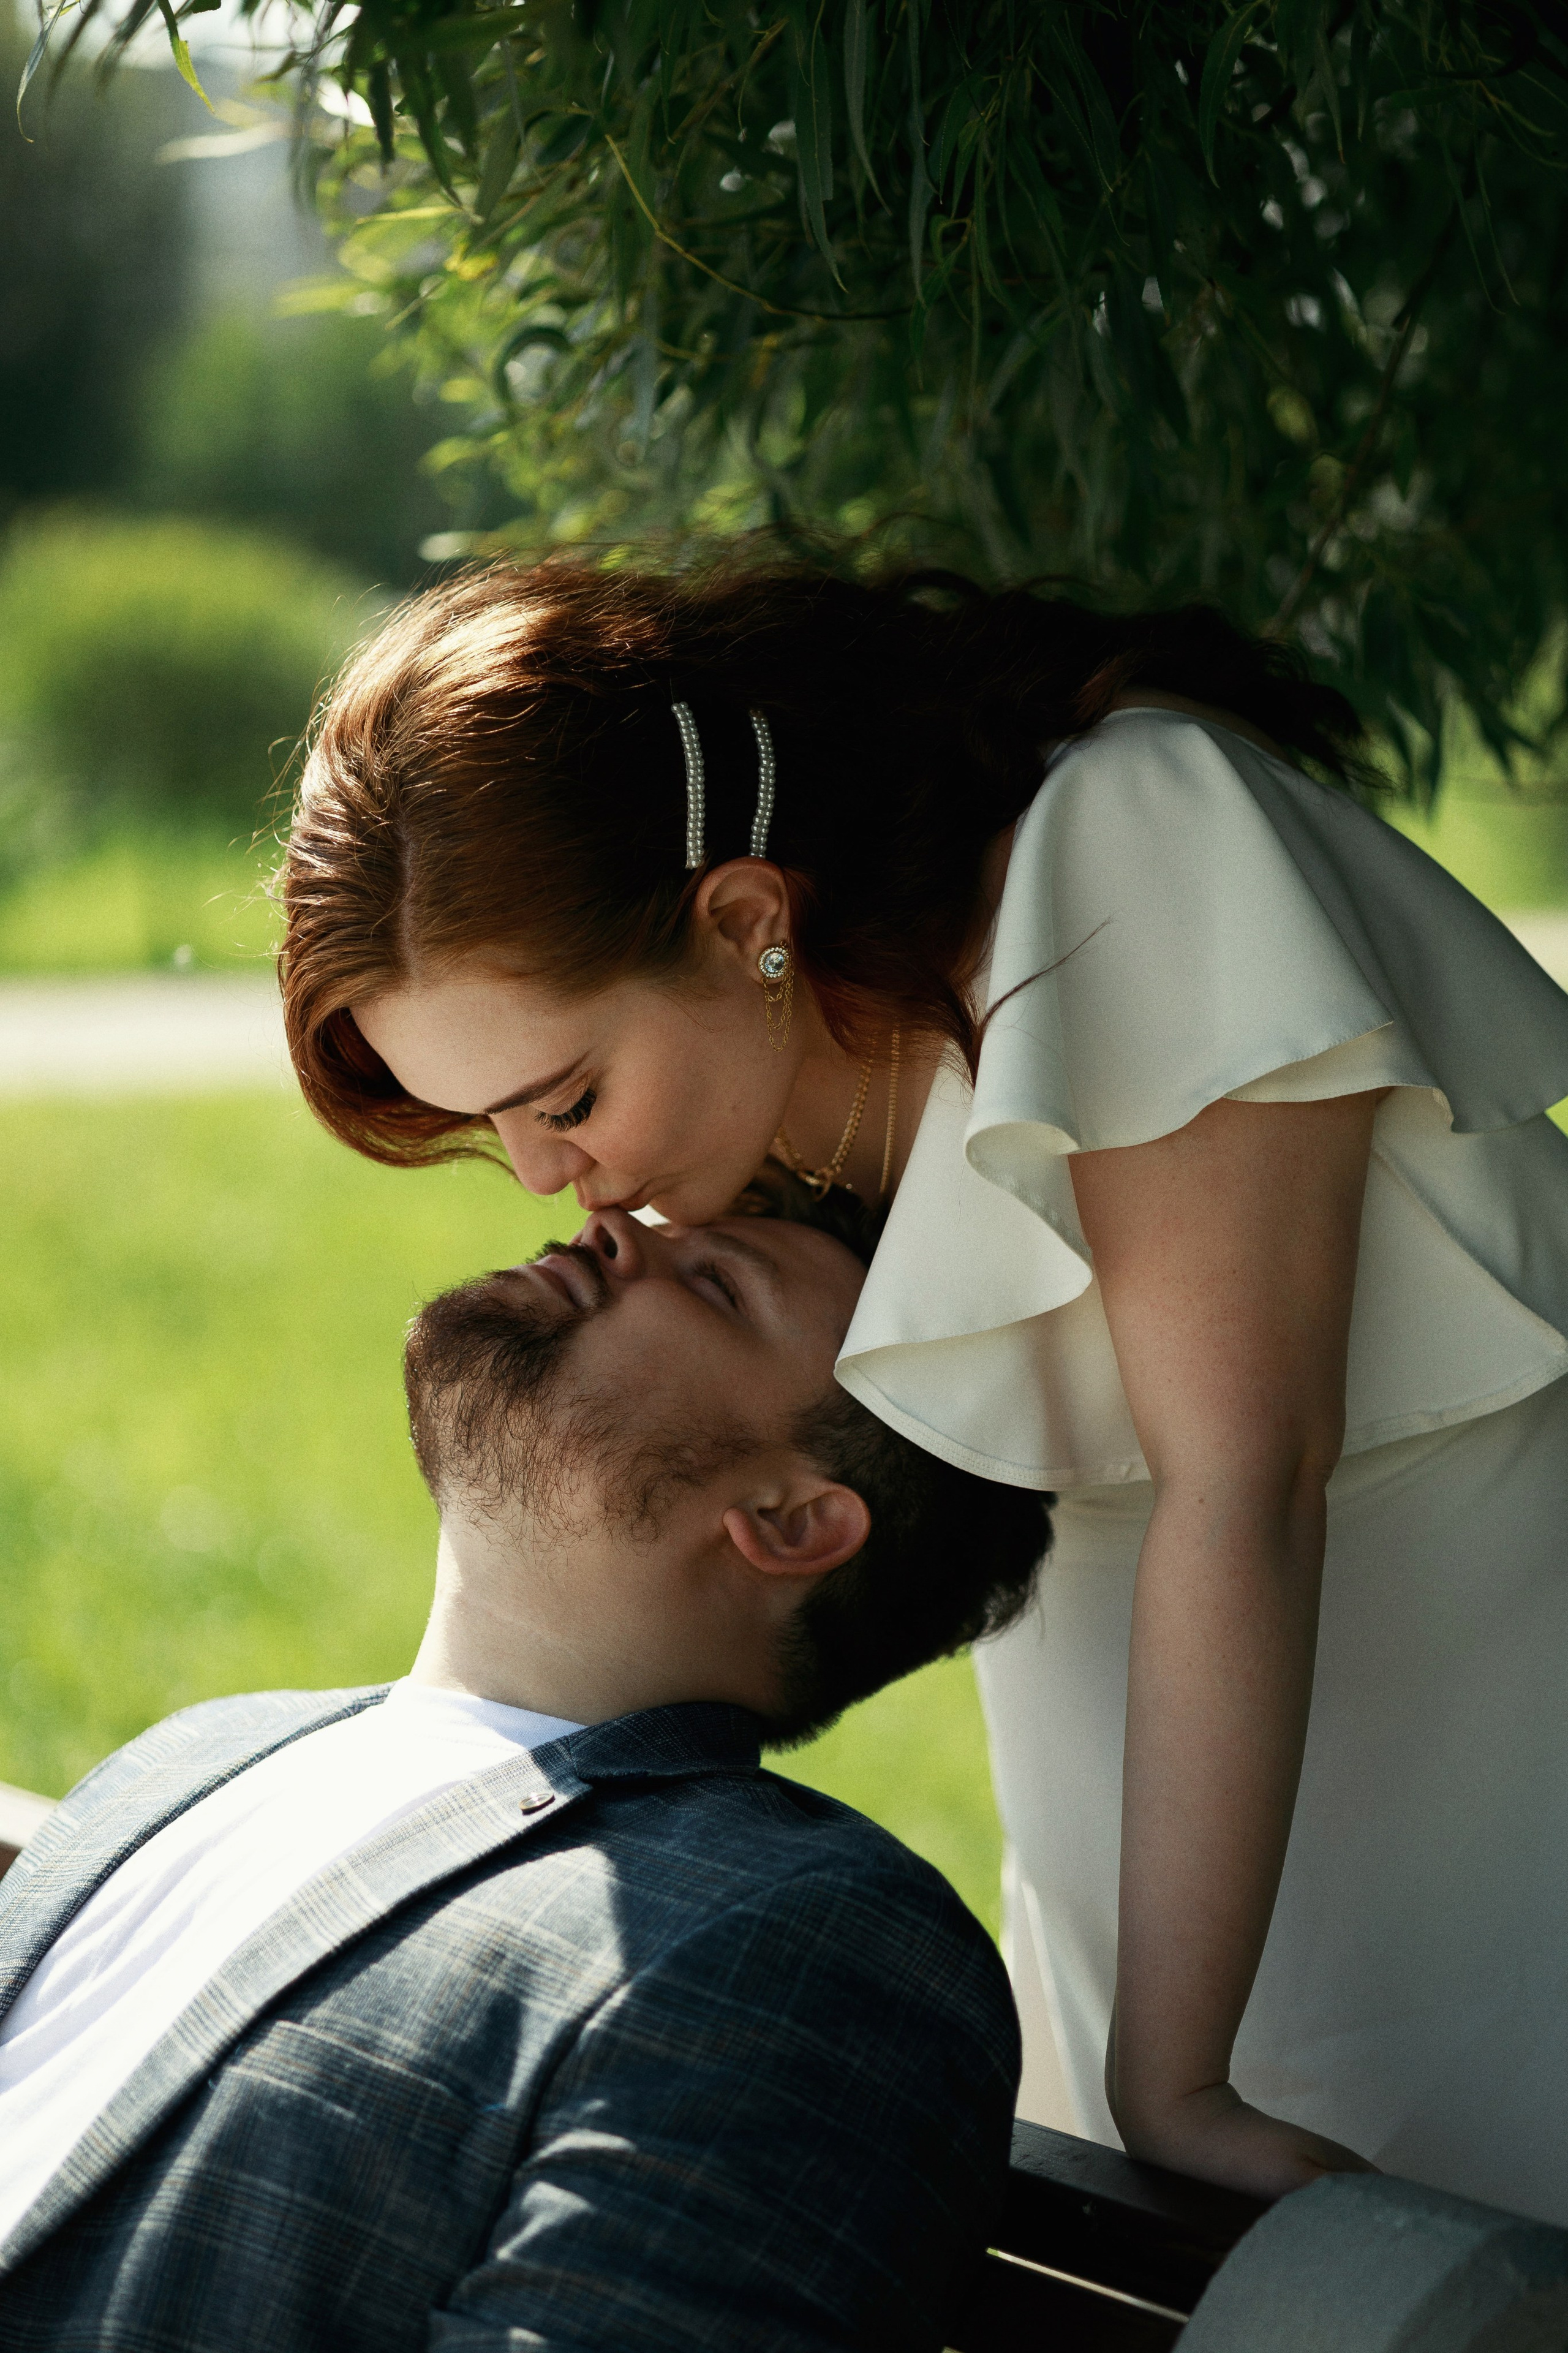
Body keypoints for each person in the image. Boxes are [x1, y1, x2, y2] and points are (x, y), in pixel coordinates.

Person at [277, 556, 1568, 2223]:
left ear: (746, 920)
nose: (541, 1178)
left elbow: (1245, 1476)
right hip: (1142, 1790)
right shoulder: (756, 1113)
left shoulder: (1128, 842)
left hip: (1474, 1703)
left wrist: (1175, 2074)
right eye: (488, 1124)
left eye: (569, 1094)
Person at [0, 1188, 1049, 2351]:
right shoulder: (193, 1753)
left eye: (715, 1284)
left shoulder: (801, 1941)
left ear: (790, 1521)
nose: (610, 1223)